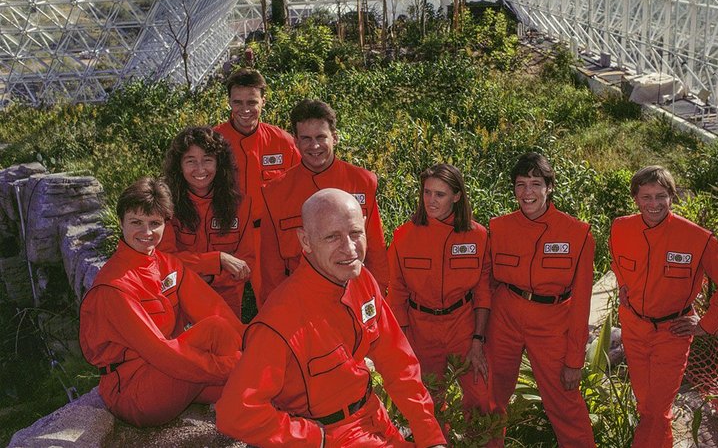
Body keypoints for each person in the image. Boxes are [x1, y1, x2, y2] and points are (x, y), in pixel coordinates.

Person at [216, 189, 446, 447]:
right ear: (305, 241)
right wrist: (313, 437)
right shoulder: (279, 321)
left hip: (374, 418)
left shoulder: (361, 280)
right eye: (332, 237)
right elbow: (234, 412)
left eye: (356, 233)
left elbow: (398, 361)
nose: (349, 249)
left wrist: (429, 435)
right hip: (331, 436)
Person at [79, 178, 244, 427]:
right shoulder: (113, 286)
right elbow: (163, 354)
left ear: (166, 224)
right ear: (121, 221)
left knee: (222, 335)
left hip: (170, 376)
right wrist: (231, 366)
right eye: (136, 222)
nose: (146, 233)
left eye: (154, 223)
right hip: (134, 391)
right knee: (242, 377)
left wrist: (254, 349)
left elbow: (216, 311)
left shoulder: (168, 264)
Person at [609, 165, 718, 448]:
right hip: (634, 328)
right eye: (646, 197)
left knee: (656, 410)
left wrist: (706, 324)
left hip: (673, 332)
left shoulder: (696, 238)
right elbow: (618, 260)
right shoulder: (621, 227)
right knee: (647, 406)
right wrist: (624, 284)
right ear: (635, 198)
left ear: (672, 197)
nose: (654, 204)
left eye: (661, 196)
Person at [484, 152, 595, 447]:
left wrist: (575, 359)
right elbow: (488, 283)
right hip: (505, 317)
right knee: (491, 395)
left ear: (549, 187)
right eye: (521, 184)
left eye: (535, 183)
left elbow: (582, 302)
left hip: (553, 322)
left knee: (564, 401)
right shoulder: (498, 228)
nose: (527, 192)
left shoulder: (578, 233)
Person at [257, 99, 389, 306]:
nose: (315, 146)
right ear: (296, 142)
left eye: (321, 137)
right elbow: (271, 264)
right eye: (306, 139)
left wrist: (377, 298)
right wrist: (276, 307)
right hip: (301, 300)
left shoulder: (362, 182)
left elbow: (376, 250)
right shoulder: (275, 192)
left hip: (353, 294)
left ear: (334, 138)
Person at [387, 164, 491, 417]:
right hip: (420, 328)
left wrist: (477, 340)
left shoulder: (477, 236)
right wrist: (405, 339)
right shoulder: (404, 236)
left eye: (440, 195)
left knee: (481, 396)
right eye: (427, 193)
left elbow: (483, 291)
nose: (431, 201)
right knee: (429, 402)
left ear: (457, 196)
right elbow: (396, 292)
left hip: (463, 326)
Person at [160, 126, 256, 318]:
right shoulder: (165, 204)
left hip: (226, 305)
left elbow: (246, 264)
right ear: (179, 165)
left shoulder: (241, 204)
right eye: (191, 161)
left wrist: (211, 277)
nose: (200, 169)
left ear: (219, 164)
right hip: (180, 300)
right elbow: (164, 260)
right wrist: (218, 260)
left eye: (207, 160)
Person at [213, 68, 300, 207]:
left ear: (263, 101)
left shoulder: (283, 142)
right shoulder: (212, 141)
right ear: (229, 101)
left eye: (252, 102)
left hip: (271, 227)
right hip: (227, 227)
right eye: (238, 102)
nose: (245, 109)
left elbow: (303, 184)